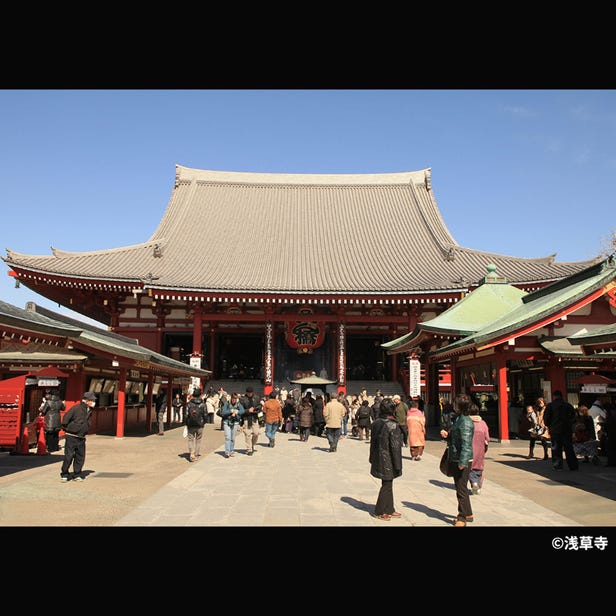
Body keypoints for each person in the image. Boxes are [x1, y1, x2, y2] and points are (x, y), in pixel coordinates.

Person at [440, 393, 475, 527]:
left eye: (455, 404)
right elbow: (457, 439)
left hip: (462, 459)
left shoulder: (465, 422)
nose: (453, 406)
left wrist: (462, 462)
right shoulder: (459, 419)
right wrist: (448, 435)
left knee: (461, 488)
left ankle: (462, 517)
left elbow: (466, 444)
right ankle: (468, 512)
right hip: (456, 456)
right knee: (461, 487)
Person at [369, 398, 403, 520]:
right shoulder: (392, 425)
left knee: (388, 483)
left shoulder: (376, 422)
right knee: (387, 484)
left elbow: (372, 442)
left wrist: (371, 458)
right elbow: (395, 447)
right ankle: (380, 510)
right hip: (387, 458)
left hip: (377, 456)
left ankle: (389, 508)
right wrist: (398, 465)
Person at [60, 392, 96, 482]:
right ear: (86, 400)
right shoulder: (76, 408)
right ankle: (64, 473)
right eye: (92, 400)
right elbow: (66, 419)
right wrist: (69, 428)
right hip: (72, 436)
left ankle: (77, 474)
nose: (93, 402)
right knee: (69, 455)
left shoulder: (90, 410)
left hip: (81, 436)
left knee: (80, 456)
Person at [543, 390, 579, 471]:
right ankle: (573, 465)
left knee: (556, 449)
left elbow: (546, 419)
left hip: (555, 430)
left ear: (554, 396)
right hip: (566, 430)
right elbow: (574, 417)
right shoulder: (568, 405)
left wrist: (549, 425)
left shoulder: (550, 406)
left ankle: (558, 465)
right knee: (569, 448)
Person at [468, 402, 490, 494]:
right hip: (480, 449)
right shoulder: (483, 423)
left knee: (469, 467)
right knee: (478, 466)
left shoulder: (467, 423)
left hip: (469, 449)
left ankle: (474, 483)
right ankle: (477, 482)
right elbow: (487, 437)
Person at [184, 388, 207, 462]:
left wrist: (186, 423)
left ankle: (191, 453)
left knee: (190, 439)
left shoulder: (189, 404)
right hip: (200, 424)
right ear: (200, 395)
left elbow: (186, 414)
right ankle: (196, 454)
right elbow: (205, 415)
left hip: (191, 424)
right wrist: (204, 422)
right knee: (198, 439)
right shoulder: (203, 404)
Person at [221, 392, 245, 458]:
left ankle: (231, 450)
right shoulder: (227, 403)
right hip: (227, 421)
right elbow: (223, 412)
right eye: (233, 398)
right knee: (228, 437)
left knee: (233, 438)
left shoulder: (238, 404)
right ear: (231, 398)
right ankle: (227, 452)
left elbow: (243, 411)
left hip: (235, 422)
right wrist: (231, 411)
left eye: (235, 398)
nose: (234, 400)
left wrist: (237, 412)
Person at [239, 386, 262, 456]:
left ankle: (252, 444)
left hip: (254, 417)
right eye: (248, 393)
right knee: (247, 434)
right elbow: (241, 409)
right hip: (246, 418)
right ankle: (249, 449)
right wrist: (248, 410)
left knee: (256, 433)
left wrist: (254, 409)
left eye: (251, 393)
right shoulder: (242, 399)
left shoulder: (256, 398)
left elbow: (260, 406)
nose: (250, 394)